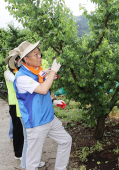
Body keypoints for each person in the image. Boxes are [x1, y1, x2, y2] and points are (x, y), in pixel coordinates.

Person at [13, 40, 72, 170]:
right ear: (26, 59)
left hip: (50, 118)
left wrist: (54, 101)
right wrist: (53, 72)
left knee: (66, 140)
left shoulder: (37, 72)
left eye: (39, 53)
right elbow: (43, 89)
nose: (39, 57)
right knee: (33, 162)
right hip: (37, 123)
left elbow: (42, 94)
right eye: (35, 54)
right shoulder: (21, 78)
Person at [4, 49, 24, 160]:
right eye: (16, 59)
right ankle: (18, 153)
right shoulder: (8, 72)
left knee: (22, 129)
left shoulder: (17, 70)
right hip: (14, 104)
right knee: (17, 129)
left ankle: (23, 152)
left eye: (18, 58)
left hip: (21, 103)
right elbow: (17, 81)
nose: (18, 60)